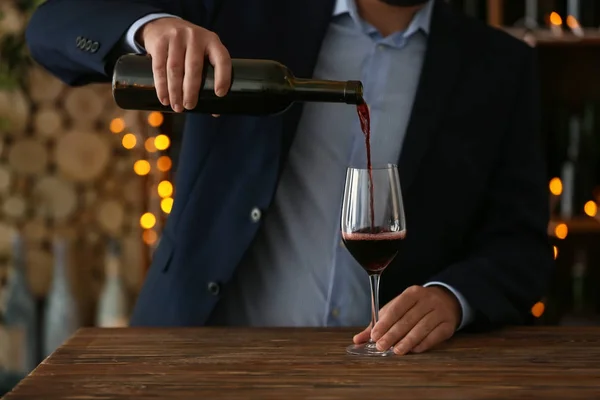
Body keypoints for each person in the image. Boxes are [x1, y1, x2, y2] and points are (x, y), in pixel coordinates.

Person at [26, 0, 554, 355]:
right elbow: (51, 24)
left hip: (388, 376)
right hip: (198, 358)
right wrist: (151, 26)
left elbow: (521, 245)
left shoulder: (500, 67)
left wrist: (451, 297)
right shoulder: (243, 12)